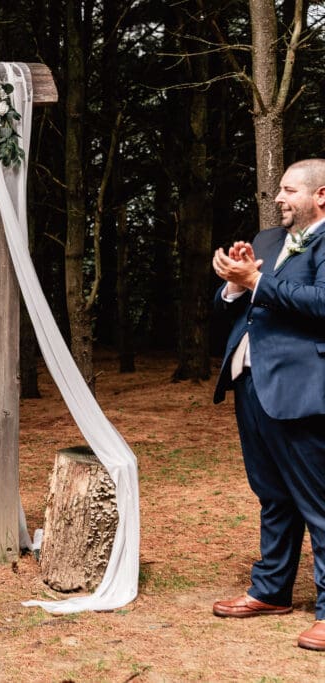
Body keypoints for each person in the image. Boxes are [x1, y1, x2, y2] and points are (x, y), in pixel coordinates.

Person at [210, 158, 325, 651]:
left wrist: (256, 282)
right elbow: (234, 304)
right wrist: (236, 283)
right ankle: (272, 590)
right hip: (252, 384)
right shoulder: (267, 240)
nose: (277, 198)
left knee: (319, 502)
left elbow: (321, 304)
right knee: (272, 494)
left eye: (287, 190)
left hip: (302, 387)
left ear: (320, 195)